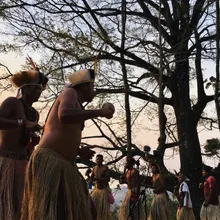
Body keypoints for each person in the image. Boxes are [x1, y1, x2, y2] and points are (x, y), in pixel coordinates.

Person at [21, 69, 115, 220]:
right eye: (92, 86)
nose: (94, 90)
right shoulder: (70, 93)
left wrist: (77, 151)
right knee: (58, 212)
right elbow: (64, 115)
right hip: (51, 160)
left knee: (87, 211)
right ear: (83, 86)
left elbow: (61, 131)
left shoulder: (76, 103)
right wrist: (99, 112)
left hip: (66, 164)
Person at [0, 66, 48, 220]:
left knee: (17, 208)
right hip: (4, 161)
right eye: (36, 89)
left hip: (21, 164)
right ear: (26, 89)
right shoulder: (12, 102)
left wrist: (33, 139)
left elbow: (26, 138)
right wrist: (21, 123)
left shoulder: (35, 113)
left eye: (41, 89)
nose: (40, 92)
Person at [90, 154, 112, 220]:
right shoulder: (94, 168)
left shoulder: (105, 168)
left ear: (102, 160)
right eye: (97, 159)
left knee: (103, 210)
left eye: (100, 159)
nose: (98, 160)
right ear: (95, 160)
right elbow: (91, 179)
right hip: (96, 190)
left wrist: (98, 179)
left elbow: (108, 179)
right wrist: (89, 188)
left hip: (104, 190)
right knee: (93, 206)